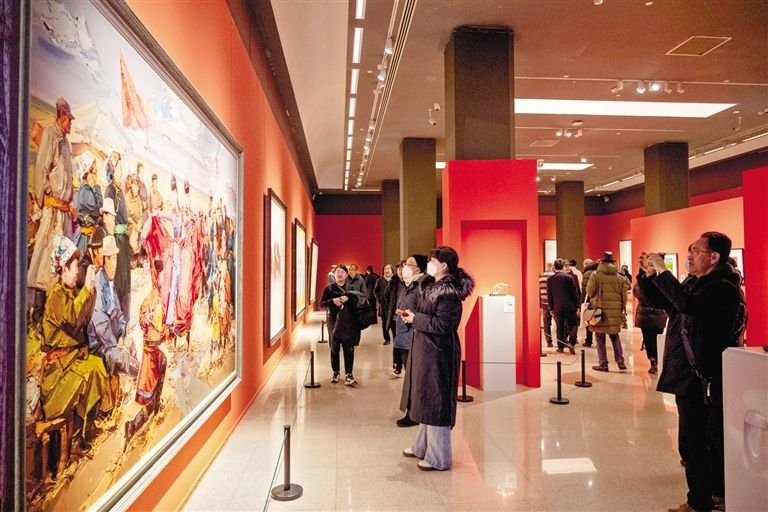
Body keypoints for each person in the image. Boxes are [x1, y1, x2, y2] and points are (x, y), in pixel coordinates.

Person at [645, 232, 742, 512]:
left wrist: (664, 271)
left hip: (702, 377)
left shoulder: (723, 288)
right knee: (696, 441)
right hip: (688, 374)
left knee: (696, 442)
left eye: (696, 251)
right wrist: (648, 276)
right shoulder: (695, 282)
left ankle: (700, 502)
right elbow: (665, 302)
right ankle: (712, 494)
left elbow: (689, 305)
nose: (690, 256)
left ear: (714, 257)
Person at [399, 246, 474, 471]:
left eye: (433, 261)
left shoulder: (448, 293)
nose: (430, 264)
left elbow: (443, 324)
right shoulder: (432, 286)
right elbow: (427, 316)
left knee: (435, 401)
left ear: (443, 265)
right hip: (427, 349)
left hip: (439, 353)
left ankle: (439, 458)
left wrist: (416, 319)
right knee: (425, 398)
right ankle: (422, 447)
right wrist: (412, 317)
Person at [40, 235, 113, 453]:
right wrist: (86, 289)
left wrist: (90, 290)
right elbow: (73, 318)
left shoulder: (70, 292)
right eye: (73, 269)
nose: (76, 273)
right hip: (57, 371)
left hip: (70, 361)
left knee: (98, 367)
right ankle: (75, 441)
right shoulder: (56, 295)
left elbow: (84, 318)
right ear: (64, 269)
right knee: (88, 375)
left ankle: (87, 429)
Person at [28, 98, 77, 319]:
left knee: (63, 259)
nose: (71, 125)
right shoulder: (50, 134)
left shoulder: (66, 143)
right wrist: (44, 200)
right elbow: (41, 169)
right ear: (62, 117)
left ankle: (55, 310)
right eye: (69, 121)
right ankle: (39, 312)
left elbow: (67, 176)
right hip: (52, 210)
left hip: (63, 212)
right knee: (46, 259)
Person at [126, 257, 172, 441]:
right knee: (149, 388)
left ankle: (155, 407)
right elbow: (145, 321)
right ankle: (134, 425)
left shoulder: (157, 298)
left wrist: (165, 331)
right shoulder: (151, 299)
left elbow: (159, 327)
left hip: (153, 349)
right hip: (150, 352)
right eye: (158, 276)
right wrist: (150, 319)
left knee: (159, 371)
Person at [87, 235, 140, 380]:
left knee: (130, 344)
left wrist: (121, 335)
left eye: (116, 259)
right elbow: (100, 323)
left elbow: (119, 314)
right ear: (106, 261)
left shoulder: (110, 283)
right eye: (113, 259)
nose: (116, 264)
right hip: (101, 346)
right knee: (126, 360)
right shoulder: (99, 283)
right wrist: (115, 344)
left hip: (114, 341)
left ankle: (133, 384)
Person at [319, 265, 362, 386]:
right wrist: (332, 301)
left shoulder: (351, 288)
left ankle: (349, 374)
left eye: (342, 272)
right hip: (333, 320)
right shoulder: (329, 289)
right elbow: (321, 304)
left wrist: (349, 300)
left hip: (347, 321)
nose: (339, 274)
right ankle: (336, 372)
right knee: (334, 347)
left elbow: (357, 304)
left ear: (346, 275)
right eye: (338, 271)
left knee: (349, 348)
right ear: (334, 274)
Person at [587, 251, 628, 372]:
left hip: (600, 310)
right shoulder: (620, 277)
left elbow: (590, 291)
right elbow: (624, 297)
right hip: (615, 311)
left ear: (601, 262)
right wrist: (621, 310)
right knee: (615, 336)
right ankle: (620, 361)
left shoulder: (595, 275)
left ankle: (603, 363)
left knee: (600, 337)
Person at [633, 255, 669, 375]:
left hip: (645, 316)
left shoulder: (640, 284)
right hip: (659, 315)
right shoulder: (659, 282)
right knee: (657, 338)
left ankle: (653, 362)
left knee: (649, 340)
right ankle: (658, 360)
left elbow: (637, 294)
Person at [546, 258, 580, 354]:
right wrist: (577, 306)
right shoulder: (569, 277)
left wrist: (551, 308)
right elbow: (574, 293)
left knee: (560, 327)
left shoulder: (550, 279)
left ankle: (560, 347)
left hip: (558, 306)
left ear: (554, 267)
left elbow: (550, 295)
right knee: (573, 324)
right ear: (562, 266)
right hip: (570, 306)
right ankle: (571, 343)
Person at [373, 263, 398, 346]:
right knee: (384, 324)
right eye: (385, 269)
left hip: (393, 305)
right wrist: (380, 298)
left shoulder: (395, 280)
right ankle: (387, 339)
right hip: (384, 306)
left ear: (392, 270)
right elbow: (375, 291)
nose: (386, 270)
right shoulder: (380, 280)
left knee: (394, 323)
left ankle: (395, 339)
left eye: (388, 269)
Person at [581, 258, 598, 347]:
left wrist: (582, 301)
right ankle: (599, 340)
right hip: (599, 300)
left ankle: (588, 340)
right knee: (598, 319)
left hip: (589, 300)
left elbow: (585, 289)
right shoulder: (599, 272)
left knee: (588, 320)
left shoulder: (587, 273)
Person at [538, 264, 555, 348]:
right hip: (554, 303)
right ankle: (562, 342)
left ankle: (549, 341)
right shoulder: (554, 276)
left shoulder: (541, 277)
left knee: (546, 323)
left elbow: (539, 291)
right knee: (559, 323)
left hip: (544, 302)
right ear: (553, 266)